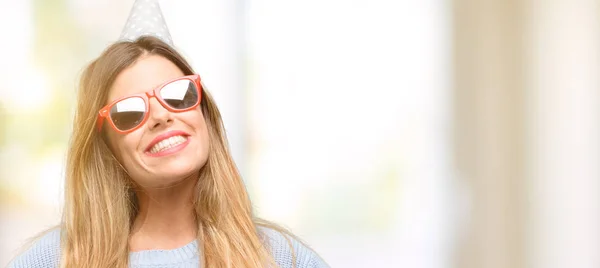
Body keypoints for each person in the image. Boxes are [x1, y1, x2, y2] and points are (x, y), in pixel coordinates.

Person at [8, 1, 329, 268]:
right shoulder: (55, 260)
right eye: (130, 112)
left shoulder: (281, 258)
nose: (161, 115)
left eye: (178, 95)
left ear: (204, 115)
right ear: (109, 149)